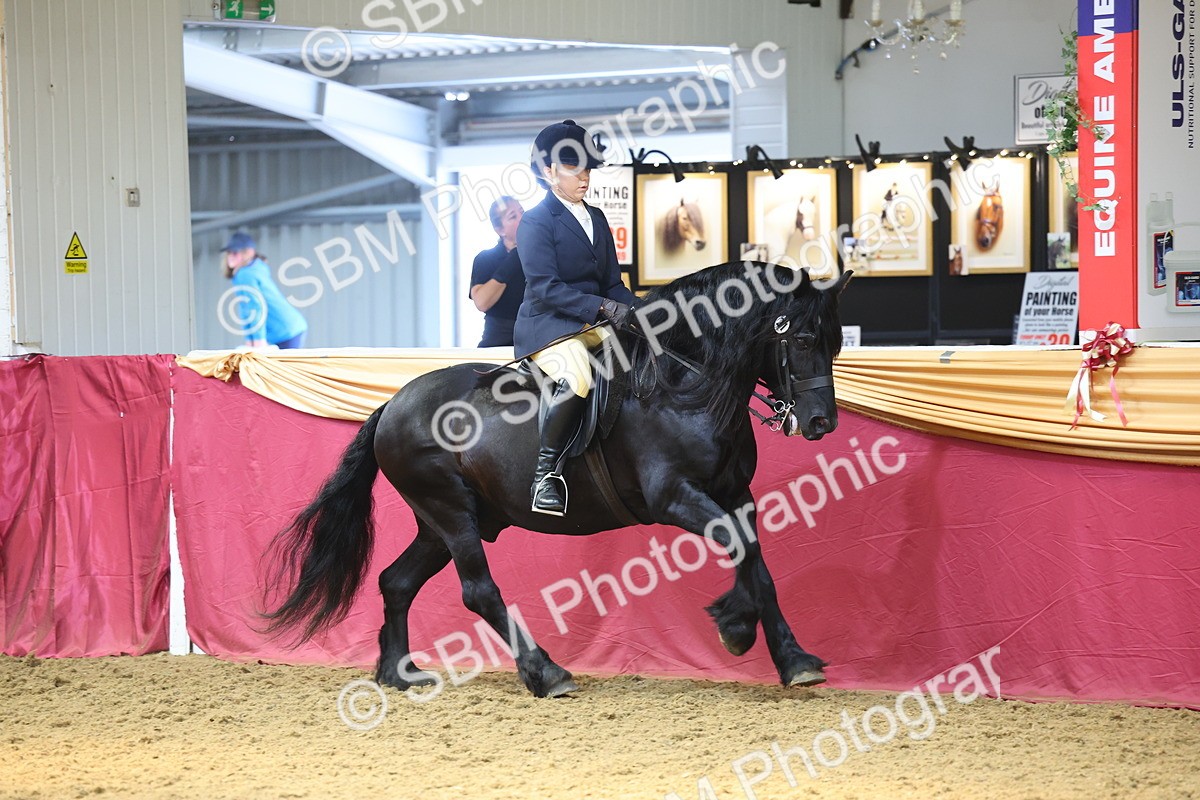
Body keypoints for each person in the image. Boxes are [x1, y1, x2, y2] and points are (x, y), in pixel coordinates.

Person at [515, 120, 637, 516]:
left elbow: (611, 284)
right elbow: (545, 286)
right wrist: (602, 307)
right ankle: (544, 476)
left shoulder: (597, 217)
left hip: (592, 325)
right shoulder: (536, 221)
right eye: (573, 169)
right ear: (548, 171)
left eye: (587, 168)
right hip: (548, 328)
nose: (584, 177)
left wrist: (644, 310)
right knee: (579, 375)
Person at [222, 232, 308, 349]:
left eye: (235, 252)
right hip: (286, 330)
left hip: (286, 331)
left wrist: (258, 340)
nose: (231, 256)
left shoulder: (246, 274)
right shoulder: (249, 271)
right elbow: (246, 309)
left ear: (248, 253)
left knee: (283, 367)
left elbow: (255, 307)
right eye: (229, 253)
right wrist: (250, 339)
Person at [469, 197, 526, 347]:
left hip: (535, 339)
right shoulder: (485, 259)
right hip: (497, 343)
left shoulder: (539, 254)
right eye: (513, 216)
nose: (522, 218)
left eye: (522, 212)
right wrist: (515, 255)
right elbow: (481, 302)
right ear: (500, 229)